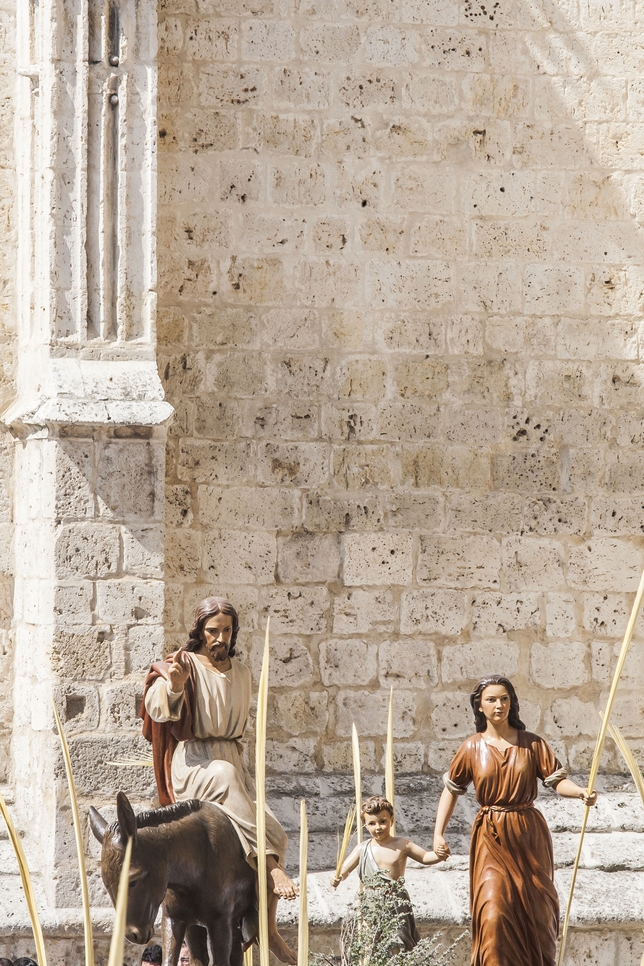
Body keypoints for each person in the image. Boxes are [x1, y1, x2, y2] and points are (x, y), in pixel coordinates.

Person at [141, 597, 298, 965]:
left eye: (226, 630)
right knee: (226, 778)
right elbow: (155, 706)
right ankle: (271, 867)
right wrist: (176, 686)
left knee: (277, 832)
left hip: (231, 759)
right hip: (196, 762)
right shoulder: (187, 664)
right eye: (213, 630)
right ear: (200, 631)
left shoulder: (242, 672)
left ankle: (268, 928)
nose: (220, 637)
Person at [432, 675, 598, 966]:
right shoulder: (471, 748)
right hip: (490, 836)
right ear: (480, 707)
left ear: (512, 703)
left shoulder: (532, 744)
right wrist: (438, 834)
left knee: (538, 915)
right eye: (491, 700)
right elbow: (452, 790)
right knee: (493, 913)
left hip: (528, 835)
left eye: (505, 698)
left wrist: (580, 792)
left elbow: (557, 782)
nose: (499, 705)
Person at [331, 795, 448, 951]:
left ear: (391, 820)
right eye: (372, 823)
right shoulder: (362, 848)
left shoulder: (402, 844)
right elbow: (344, 870)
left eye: (383, 822)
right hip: (371, 902)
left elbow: (425, 857)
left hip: (396, 901)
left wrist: (439, 855)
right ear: (365, 825)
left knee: (399, 941)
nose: (378, 827)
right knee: (372, 943)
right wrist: (337, 877)